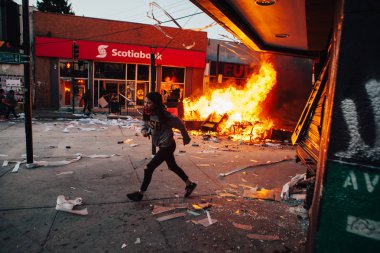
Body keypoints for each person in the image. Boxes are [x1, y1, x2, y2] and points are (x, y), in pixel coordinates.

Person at [127, 92, 197, 201]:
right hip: (162, 145)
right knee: (172, 166)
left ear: (156, 103)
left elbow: (179, 123)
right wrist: (145, 130)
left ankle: (140, 194)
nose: (146, 104)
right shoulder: (147, 113)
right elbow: (145, 124)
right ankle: (190, 184)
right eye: (145, 102)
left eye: (149, 103)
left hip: (167, 146)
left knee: (148, 168)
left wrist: (186, 137)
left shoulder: (165, 116)